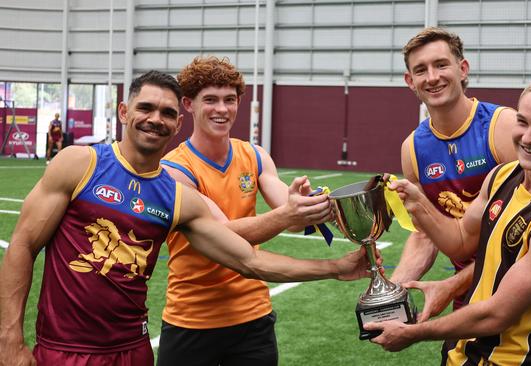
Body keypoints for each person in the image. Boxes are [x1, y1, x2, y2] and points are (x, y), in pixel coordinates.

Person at [0, 70, 369, 366]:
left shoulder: (178, 199)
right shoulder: (81, 163)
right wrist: (9, 338)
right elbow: (23, 244)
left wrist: (335, 266)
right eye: (145, 108)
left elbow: (249, 260)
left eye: (166, 113)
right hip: (65, 348)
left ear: (178, 123)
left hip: (134, 348)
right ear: (124, 112)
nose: (155, 119)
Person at [367, 74, 531, 366]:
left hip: (518, 359)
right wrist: (418, 204)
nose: (527, 137)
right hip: (464, 352)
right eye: (523, 122)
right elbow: (462, 242)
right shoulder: (502, 176)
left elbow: (496, 315)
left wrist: (413, 332)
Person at [156, 56, 334, 366]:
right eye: (210, 100)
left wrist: (307, 205)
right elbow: (222, 234)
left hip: (253, 317)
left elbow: (288, 216)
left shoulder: (254, 154)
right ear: (189, 103)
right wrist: (289, 214)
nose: (221, 109)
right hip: (192, 318)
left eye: (229, 100)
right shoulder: (174, 169)